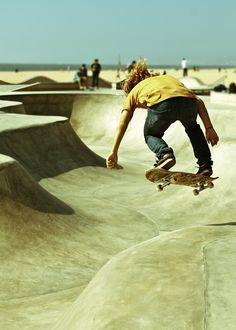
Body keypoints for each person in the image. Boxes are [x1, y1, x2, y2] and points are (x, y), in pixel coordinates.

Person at [106, 60, 219, 176]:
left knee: (150, 134)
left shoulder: (134, 92)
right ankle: (205, 164)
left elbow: (123, 123)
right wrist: (209, 127)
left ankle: (164, 155)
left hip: (162, 105)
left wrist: (114, 151)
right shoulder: (167, 78)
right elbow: (198, 100)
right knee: (193, 128)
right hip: (188, 102)